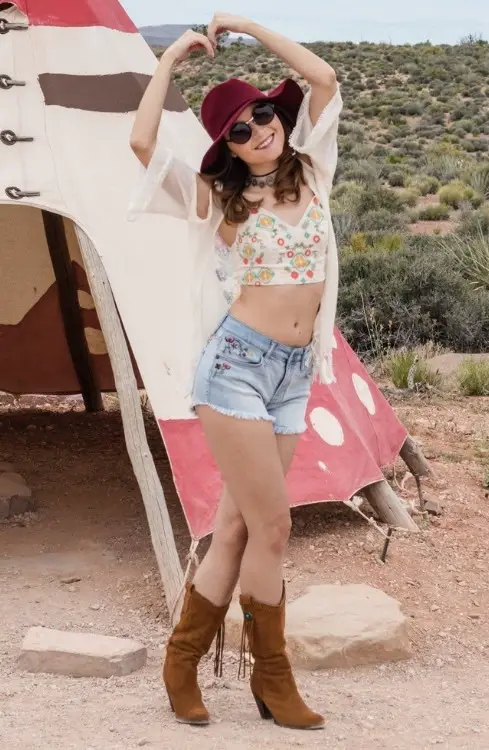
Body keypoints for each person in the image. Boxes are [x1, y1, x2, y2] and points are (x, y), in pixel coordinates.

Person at [130, 12, 342, 731]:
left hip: (293, 371)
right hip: (236, 370)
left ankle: (181, 661)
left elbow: (324, 78)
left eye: (261, 115)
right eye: (240, 131)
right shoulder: (221, 201)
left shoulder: (313, 167)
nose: (258, 131)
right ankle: (271, 678)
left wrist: (250, 27)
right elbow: (140, 143)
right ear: (226, 146)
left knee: (237, 531)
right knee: (273, 524)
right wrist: (170, 60)